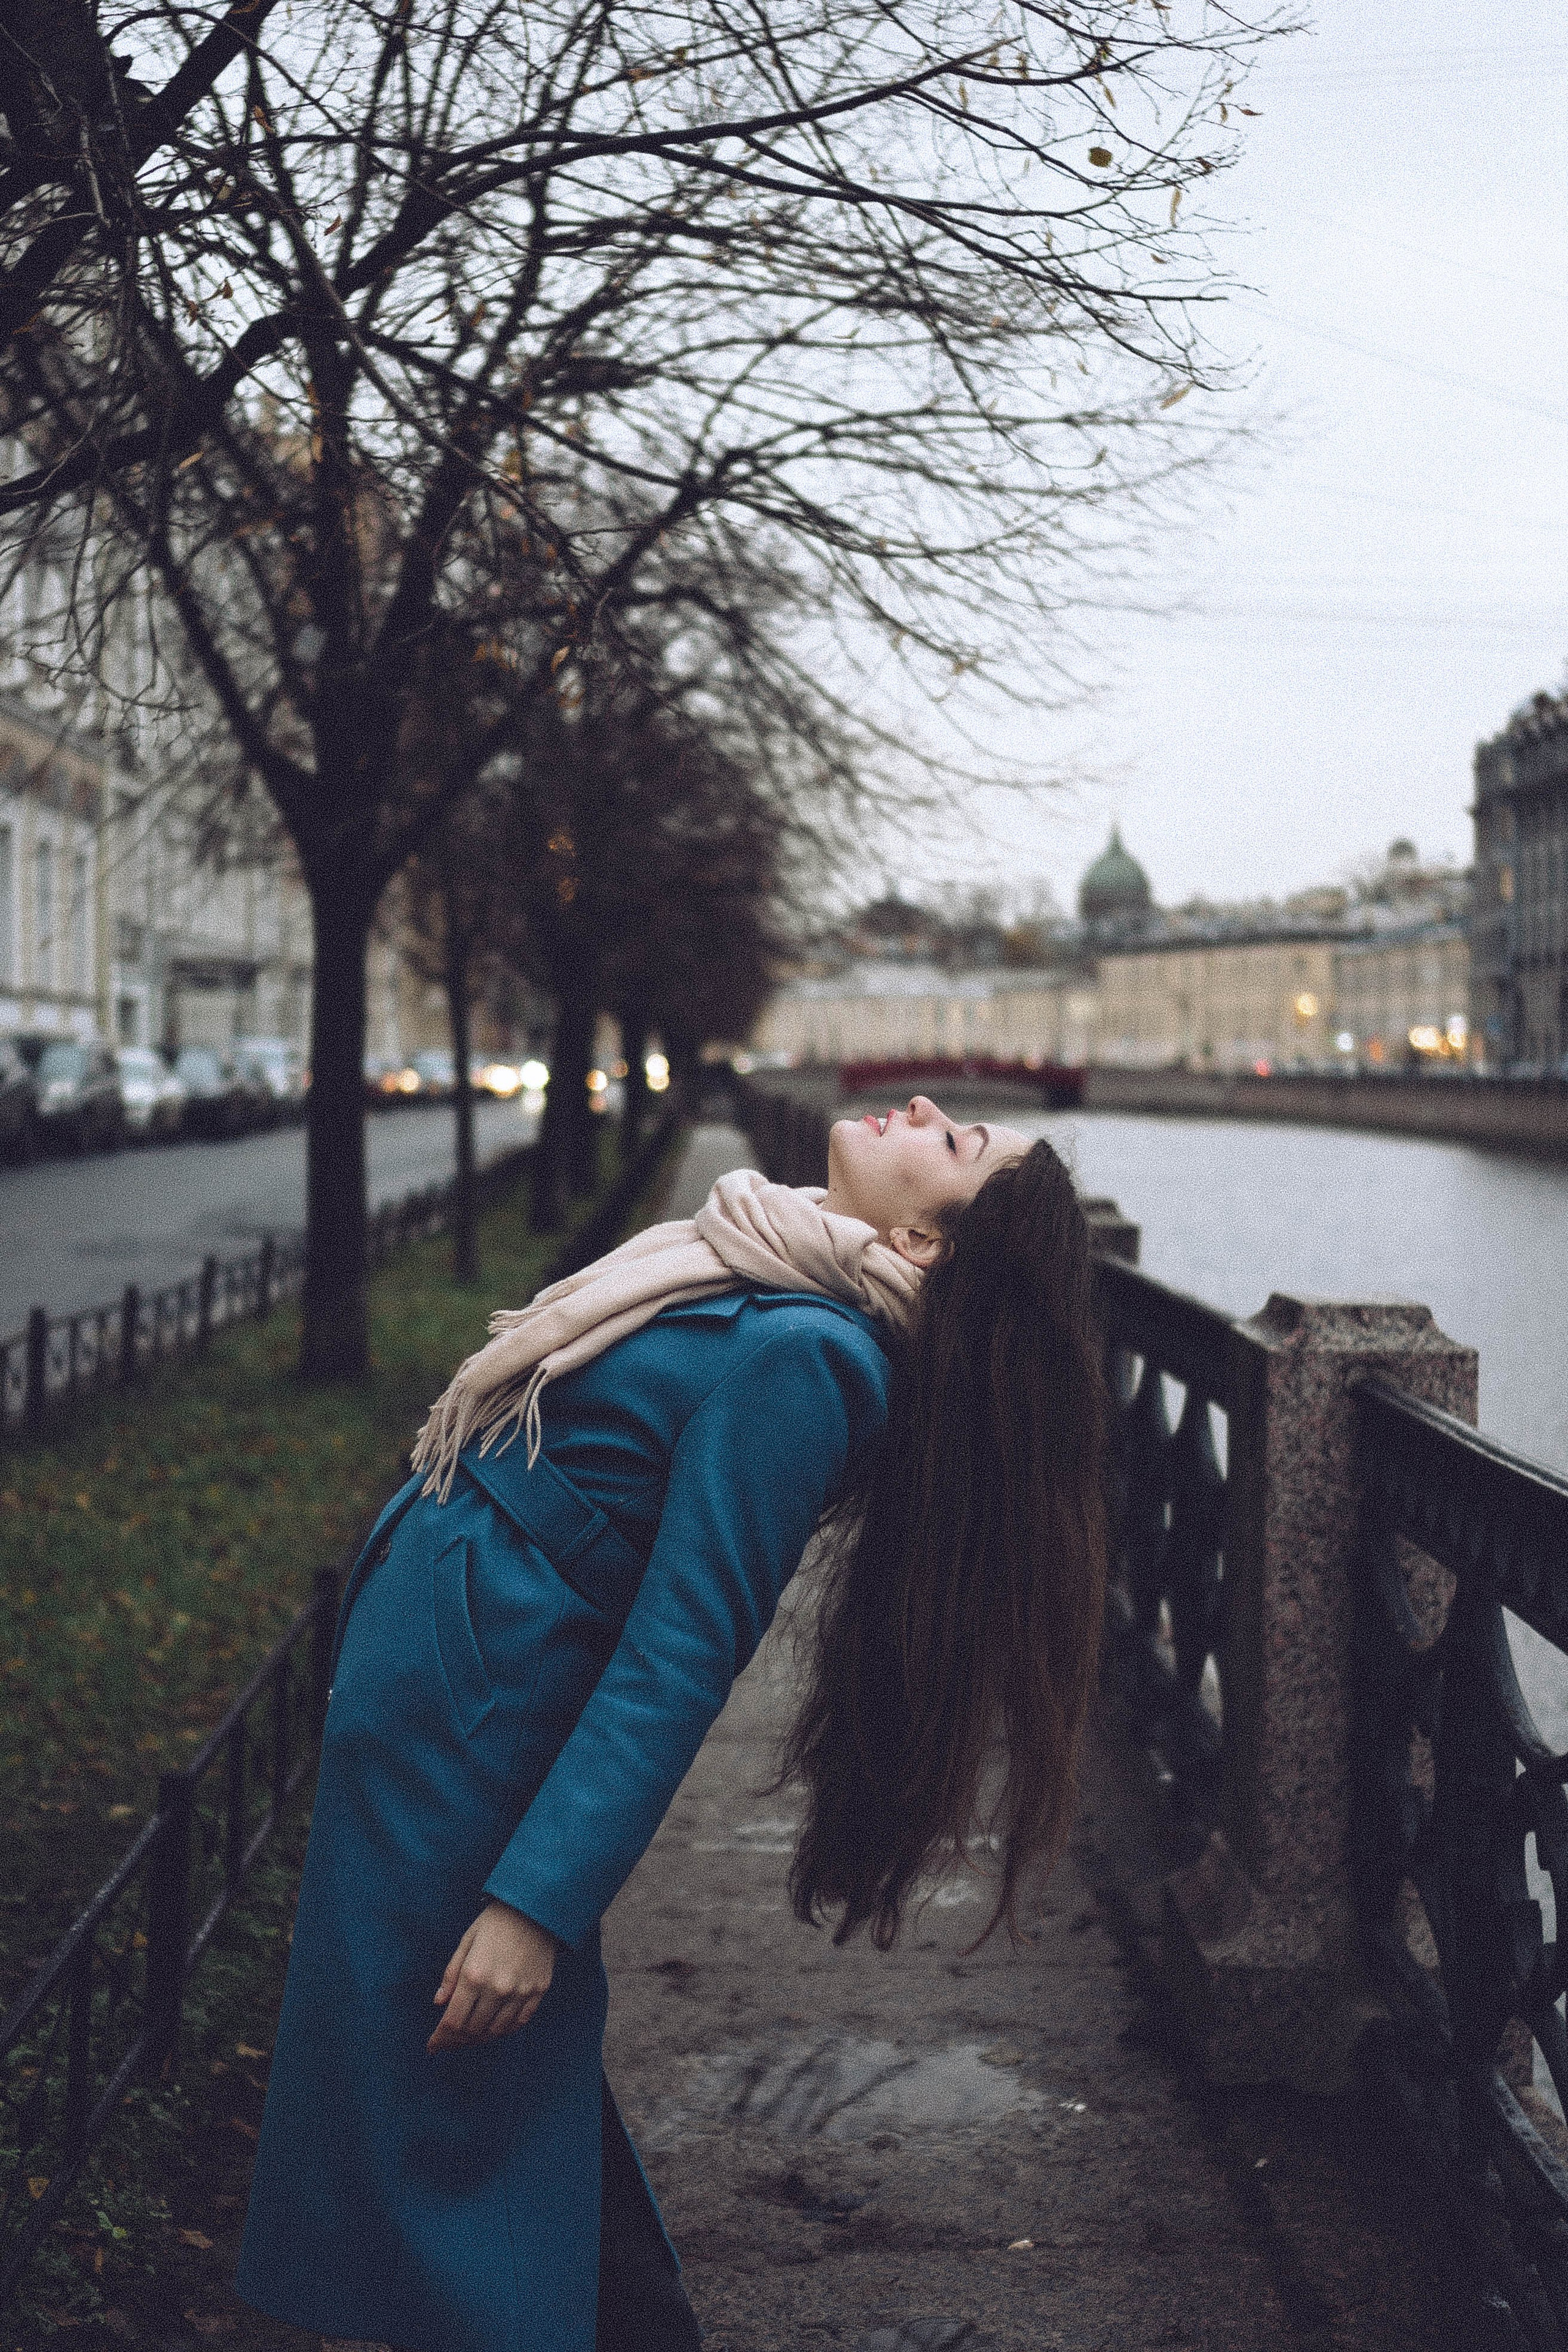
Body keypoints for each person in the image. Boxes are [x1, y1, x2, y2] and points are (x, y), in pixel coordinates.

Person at [235, 1096, 1107, 2352]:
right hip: (448, 1714)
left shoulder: (810, 1360)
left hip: (481, 1740)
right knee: (464, 2099)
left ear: (923, 1245)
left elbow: (682, 1652)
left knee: (451, 2115)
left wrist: (537, 1907)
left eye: (956, 1145)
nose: (926, 1108)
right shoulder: (767, 1265)